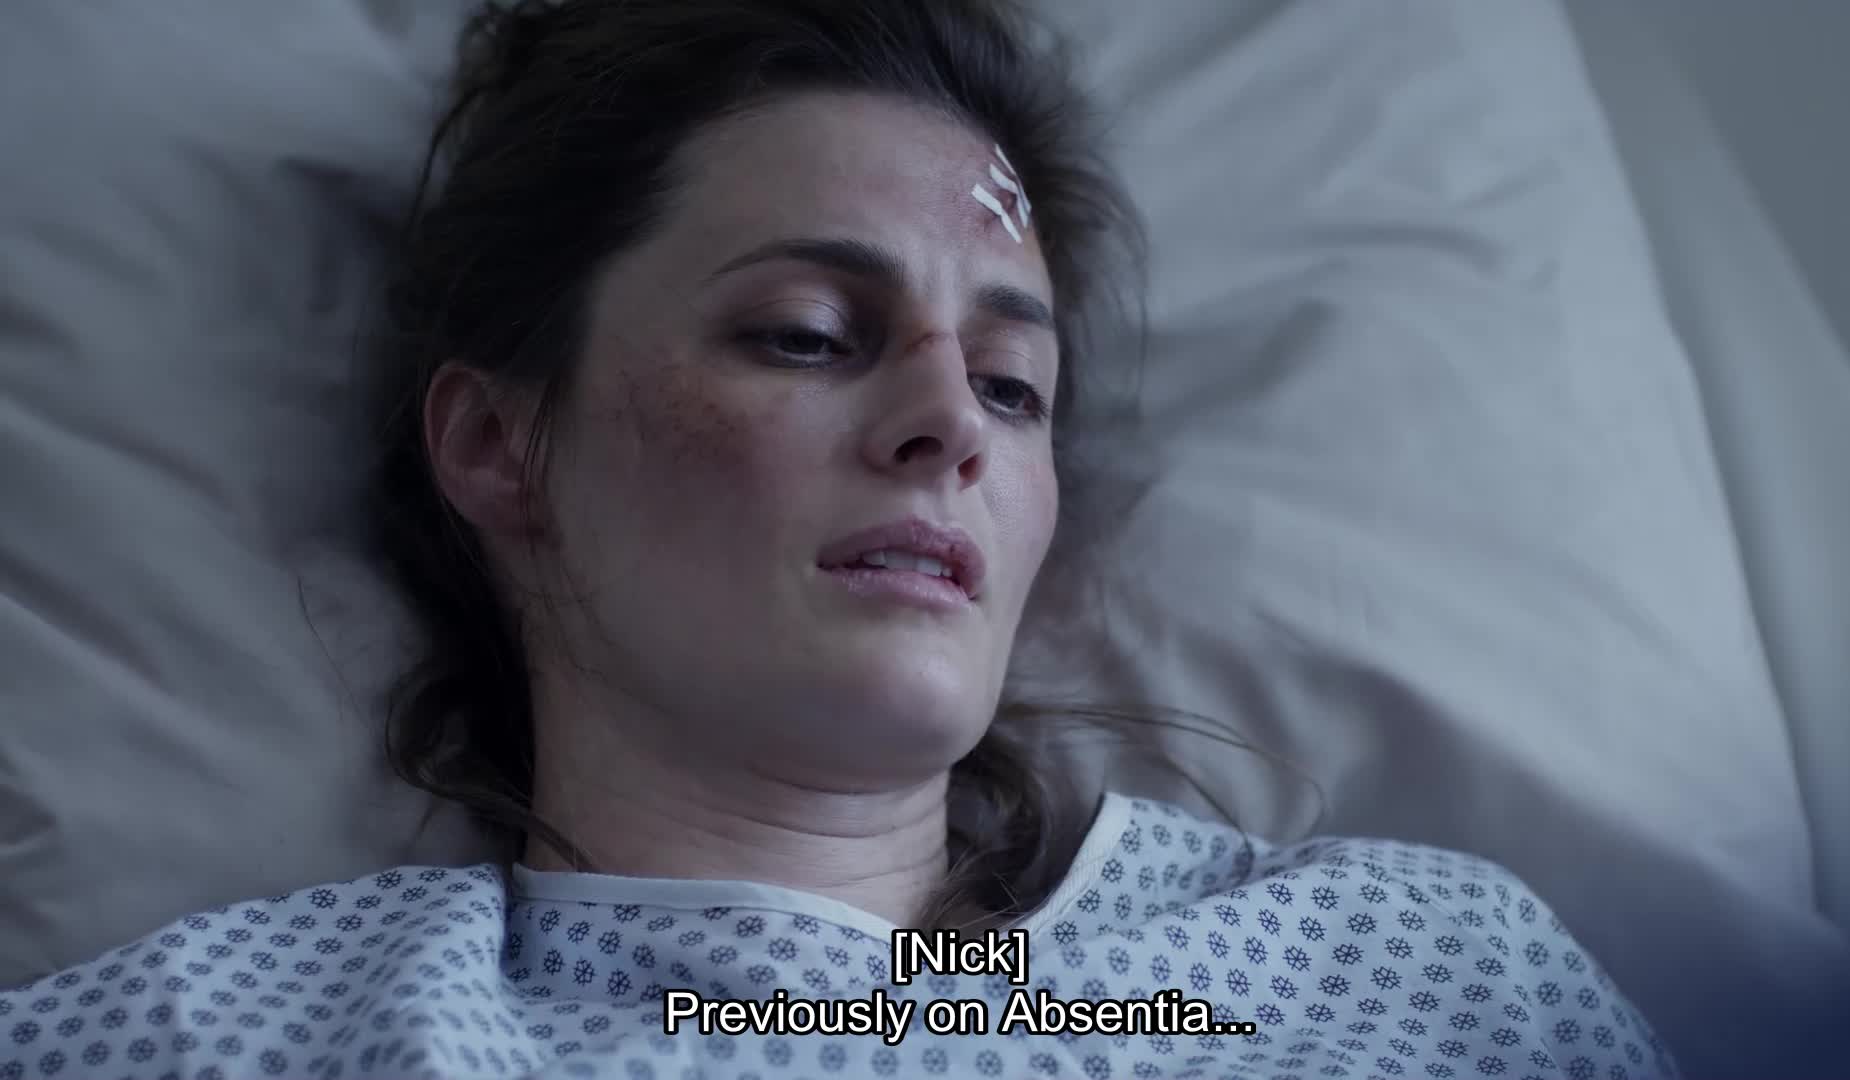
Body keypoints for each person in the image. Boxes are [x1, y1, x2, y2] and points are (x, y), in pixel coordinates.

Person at [0, 2, 1682, 1078]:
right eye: (805, 335)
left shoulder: (1420, 979)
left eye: (1014, 386)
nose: (951, 423)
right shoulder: (223, 1038)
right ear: (504, 448)